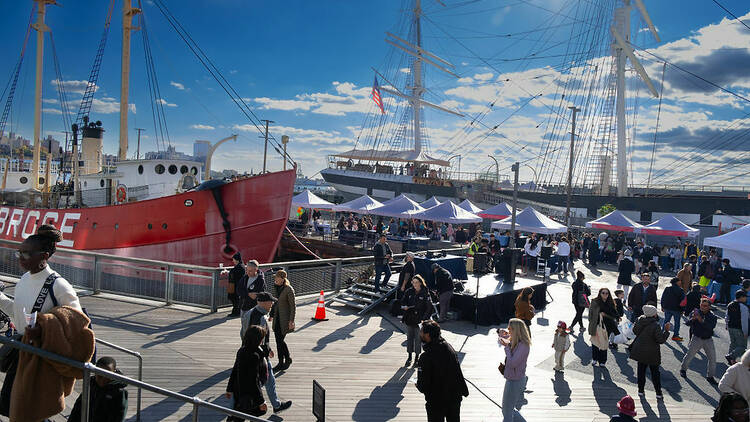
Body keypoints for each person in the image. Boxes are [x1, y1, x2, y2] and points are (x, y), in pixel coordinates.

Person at [0, 225, 82, 416]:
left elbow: (77, 323)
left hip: (42, 360)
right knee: (10, 406)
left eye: (27, 254)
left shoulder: (59, 285)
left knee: (30, 409)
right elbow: (19, 313)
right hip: (24, 353)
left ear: (44, 256)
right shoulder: (25, 279)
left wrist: (45, 328)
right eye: (19, 253)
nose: (21, 258)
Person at [240, 292, 293, 413]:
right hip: (259, 354)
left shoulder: (249, 313)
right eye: (270, 302)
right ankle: (271, 405)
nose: (272, 304)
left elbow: (243, 332)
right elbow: (259, 339)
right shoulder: (261, 318)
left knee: (267, 379)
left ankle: (276, 405)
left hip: (248, 350)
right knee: (265, 378)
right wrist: (266, 351)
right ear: (263, 302)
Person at [416, 320, 469, 422]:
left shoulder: (425, 357)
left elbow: (423, 385)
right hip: (454, 397)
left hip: (436, 400)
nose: (420, 333)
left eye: (421, 331)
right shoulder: (449, 348)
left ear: (427, 335)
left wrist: (418, 385)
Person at [629, 304, 671, 399]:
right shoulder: (655, 325)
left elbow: (635, 331)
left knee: (641, 371)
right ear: (653, 314)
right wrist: (666, 331)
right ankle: (658, 393)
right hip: (652, 352)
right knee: (655, 373)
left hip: (640, 349)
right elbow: (661, 340)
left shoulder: (639, 320)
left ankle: (640, 390)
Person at [226, 325, 268, 419]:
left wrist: (229, 388)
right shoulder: (254, 355)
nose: (262, 340)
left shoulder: (242, 350)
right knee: (253, 413)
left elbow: (235, 371)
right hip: (248, 394)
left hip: (239, 391)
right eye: (261, 338)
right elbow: (253, 380)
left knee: (240, 415)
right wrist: (261, 401)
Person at [69, 357, 128, 422]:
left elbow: (119, 416)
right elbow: (78, 407)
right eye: (100, 376)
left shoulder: (119, 392)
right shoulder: (90, 384)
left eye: (107, 376)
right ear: (95, 372)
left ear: (114, 373)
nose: (103, 380)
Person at [498, 318, 531, 422]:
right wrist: (500, 333)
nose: (508, 330)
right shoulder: (516, 341)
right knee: (508, 409)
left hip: (515, 381)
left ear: (516, 330)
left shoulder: (523, 345)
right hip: (512, 379)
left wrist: (507, 347)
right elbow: (504, 337)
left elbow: (512, 363)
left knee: (507, 411)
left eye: (510, 328)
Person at [680, 297, 718, 384]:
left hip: (708, 339)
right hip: (697, 338)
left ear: (709, 307)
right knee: (690, 355)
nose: (703, 307)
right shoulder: (695, 312)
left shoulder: (712, 316)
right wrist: (692, 319)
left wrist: (701, 320)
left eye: (705, 306)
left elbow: (710, 327)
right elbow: (687, 323)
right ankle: (683, 369)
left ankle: (710, 376)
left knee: (712, 358)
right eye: (701, 305)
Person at [402, 275, 431, 367]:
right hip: (409, 319)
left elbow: (429, 308)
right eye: (413, 282)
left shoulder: (425, 292)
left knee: (418, 339)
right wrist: (404, 307)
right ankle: (409, 357)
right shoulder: (409, 291)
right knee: (409, 338)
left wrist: (424, 319)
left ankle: (417, 358)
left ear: (420, 283)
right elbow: (403, 301)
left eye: (416, 282)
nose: (414, 284)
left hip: (420, 320)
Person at [270, 270, 296, 372]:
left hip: (284, 320)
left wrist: (291, 320)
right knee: (278, 341)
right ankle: (282, 361)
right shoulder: (276, 288)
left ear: (282, 278)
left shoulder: (289, 289)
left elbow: (293, 306)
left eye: (276, 277)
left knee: (280, 340)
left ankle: (286, 359)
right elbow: (274, 303)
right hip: (277, 318)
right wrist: (271, 315)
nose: (275, 279)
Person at [589, 288, 619, 366]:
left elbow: (615, 316)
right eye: (603, 293)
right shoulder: (594, 301)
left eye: (607, 293)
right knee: (595, 343)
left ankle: (602, 361)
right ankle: (595, 359)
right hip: (596, 325)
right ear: (600, 293)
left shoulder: (611, 302)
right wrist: (593, 321)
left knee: (604, 343)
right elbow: (590, 314)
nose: (605, 294)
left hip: (607, 326)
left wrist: (605, 315)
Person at [726, 290, 749, 366]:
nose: (746, 298)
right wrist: (745, 332)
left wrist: (727, 326)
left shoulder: (730, 304)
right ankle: (731, 357)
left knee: (733, 343)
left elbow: (727, 317)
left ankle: (730, 360)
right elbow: (744, 320)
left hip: (730, 327)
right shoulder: (743, 307)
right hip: (739, 328)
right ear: (741, 297)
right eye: (745, 297)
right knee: (742, 346)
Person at [661, 277, 686, 341]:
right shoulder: (681, 290)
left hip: (667, 308)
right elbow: (683, 301)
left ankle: (662, 333)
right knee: (677, 323)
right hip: (677, 309)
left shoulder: (667, 289)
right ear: (677, 282)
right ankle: (675, 335)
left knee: (666, 321)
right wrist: (683, 309)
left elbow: (663, 298)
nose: (680, 282)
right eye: (679, 281)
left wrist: (662, 306)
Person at [227, 252, 245, 318]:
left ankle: (235, 312)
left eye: (233, 259)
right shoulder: (241, 266)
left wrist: (229, 272)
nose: (233, 261)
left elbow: (234, 274)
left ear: (236, 260)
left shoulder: (239, 267)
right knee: (236, 300)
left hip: (236, 286)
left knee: (235, 299)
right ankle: (236, 311)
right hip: (238, 285)